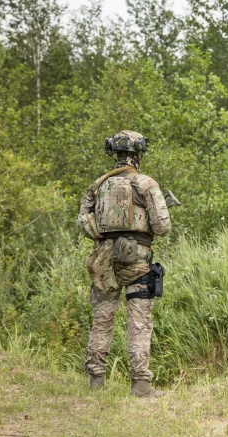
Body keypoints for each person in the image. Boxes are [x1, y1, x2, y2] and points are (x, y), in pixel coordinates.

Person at [78, 130, 171, 398]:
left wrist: (102, 236)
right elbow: (162, 227)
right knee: (139, 321)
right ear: (138, 154)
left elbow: (83, 219)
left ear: (115, 154)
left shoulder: (98, 185)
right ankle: (141, 386)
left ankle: (96, 381)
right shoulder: (146, 184)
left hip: (103, 257)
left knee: (102, 318)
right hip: (136, 260)